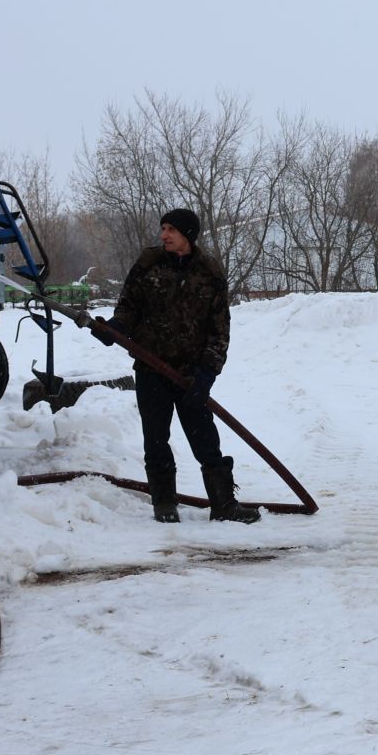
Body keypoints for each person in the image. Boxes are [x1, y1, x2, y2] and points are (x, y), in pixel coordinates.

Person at [94, 208, 260, 525]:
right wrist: (113, 328)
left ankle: (224, 504)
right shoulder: (148, 263)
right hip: (151, 370)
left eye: (170, 229)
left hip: (190, 375)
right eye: (163, 228)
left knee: (206, 441)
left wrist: (207, 374)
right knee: (155, 439)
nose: (163, 235)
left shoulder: (209, 273)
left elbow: (219, 330)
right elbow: (129, 308)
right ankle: (165, 504)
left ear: (188, 235)